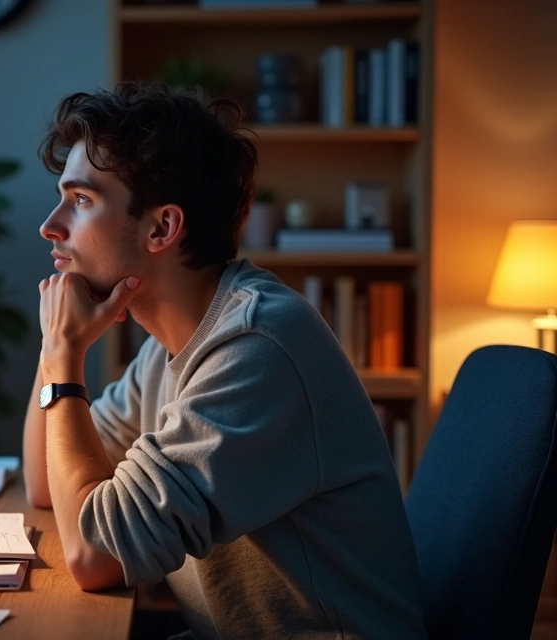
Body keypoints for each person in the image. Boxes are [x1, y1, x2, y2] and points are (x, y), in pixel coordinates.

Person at [23, 82, 426, 639]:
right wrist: (54, 347)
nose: (51, 224)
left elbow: (96, 556)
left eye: (82, 200)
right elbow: (48, 485)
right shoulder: (166, 349)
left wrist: (66, 354)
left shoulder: (257, 347)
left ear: (162, 227)